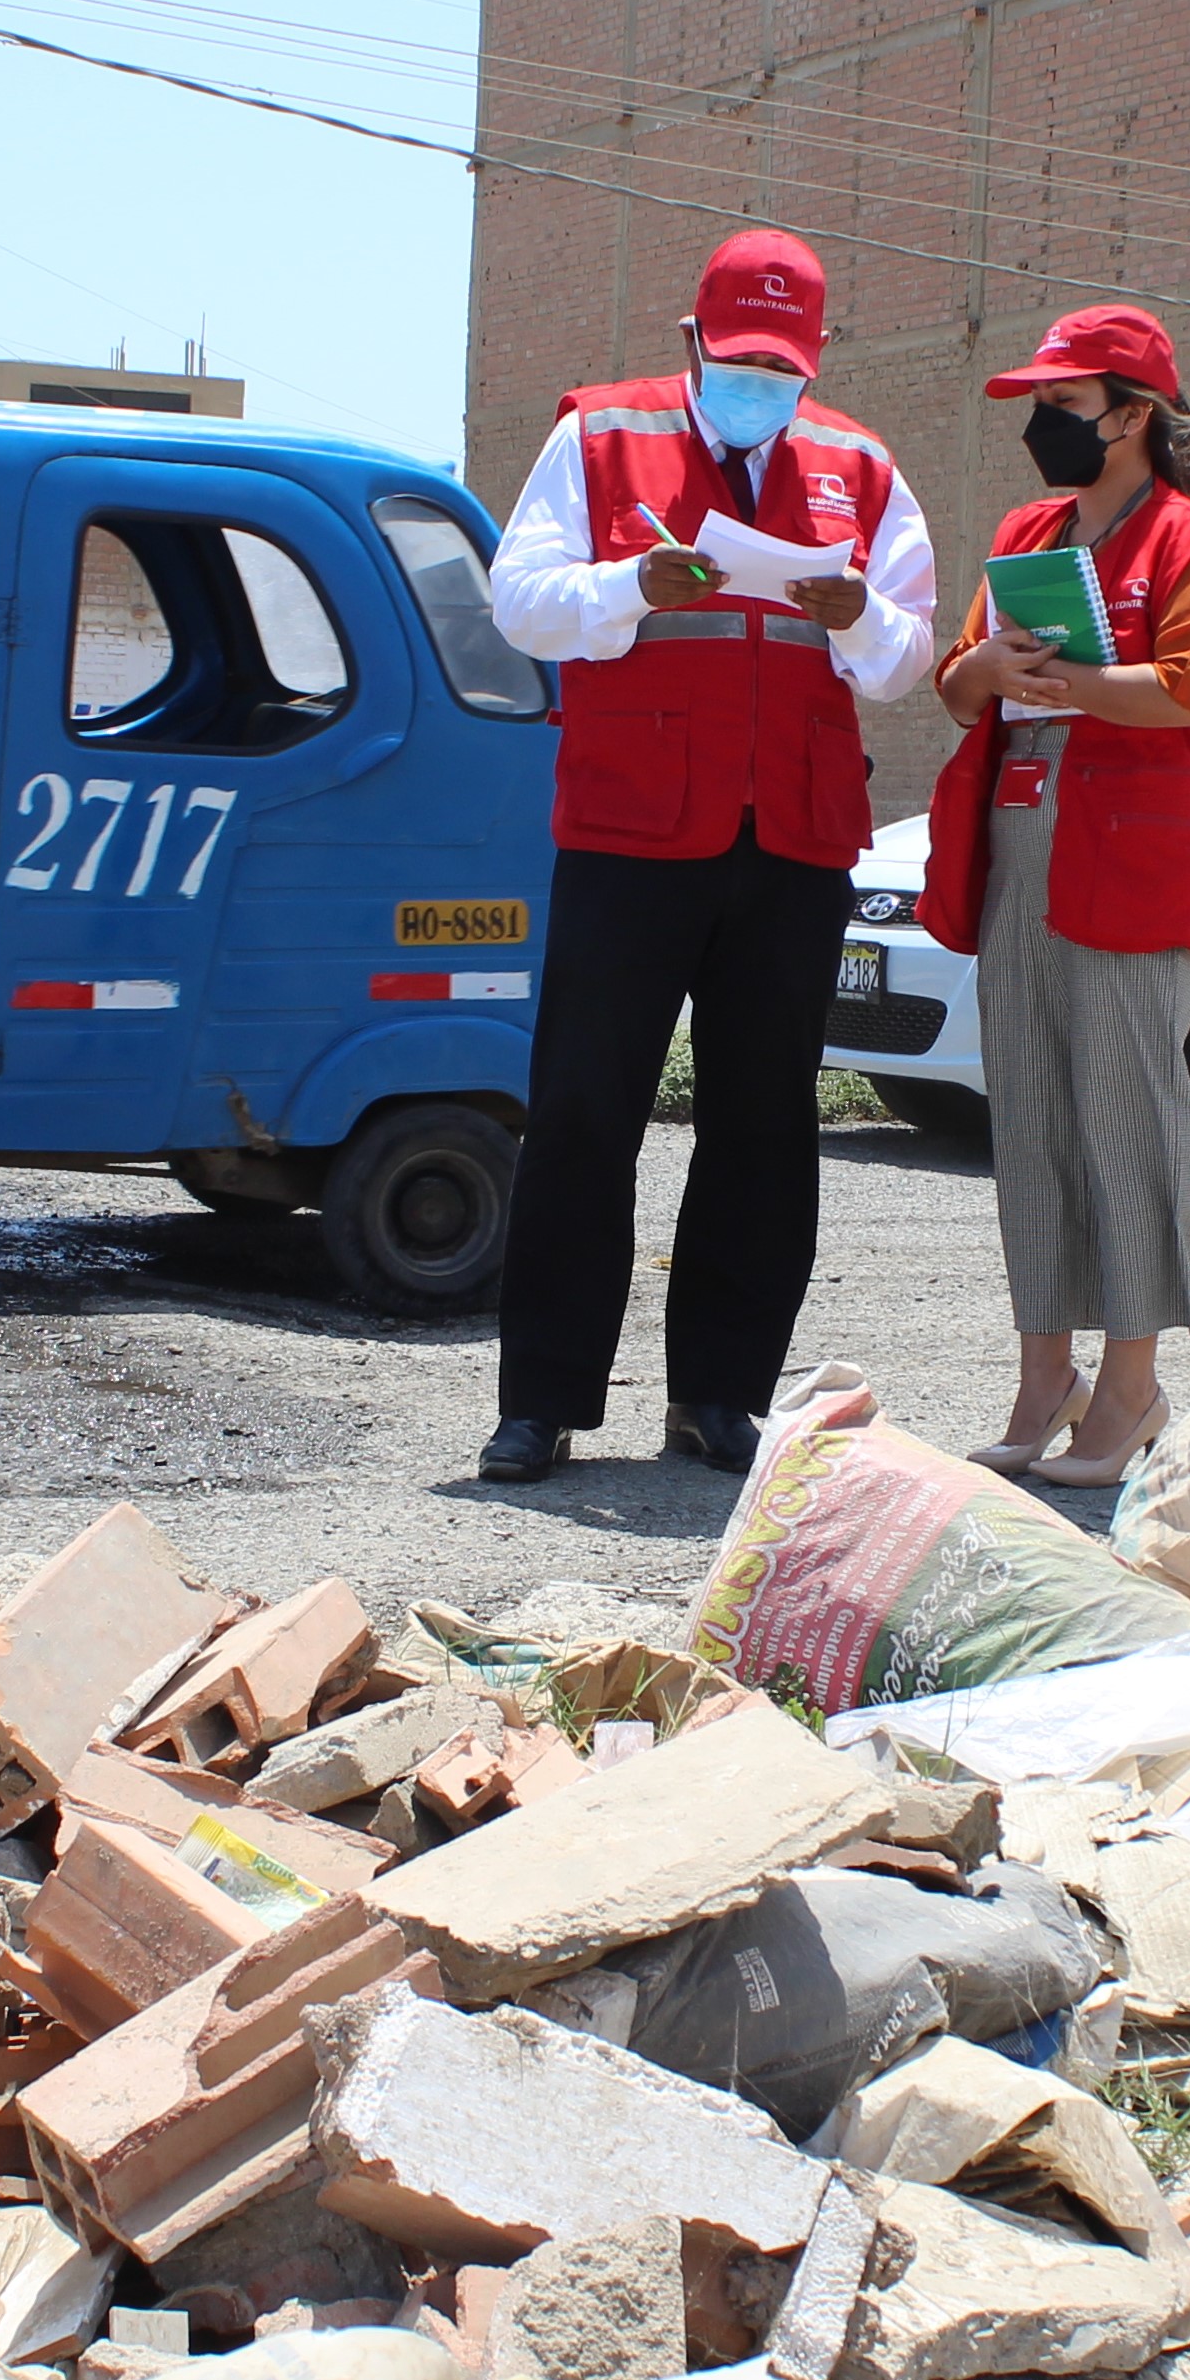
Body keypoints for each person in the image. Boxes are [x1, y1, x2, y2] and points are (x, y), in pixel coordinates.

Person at [476, 229, 939, 1484]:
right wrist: (633, 585)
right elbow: (518, 600)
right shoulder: (598, 437)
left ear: (815, 360)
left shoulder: (861, 465)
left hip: (790, 837)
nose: (760, 385)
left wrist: (858, 620)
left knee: (765, 1123)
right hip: (632, 831)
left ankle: (722, 1398)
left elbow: (908, 658)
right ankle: (544, 1403)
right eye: (738, 362)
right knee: (584, 1111)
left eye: (780, 368)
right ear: (695, 342)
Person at [920, 305, 1190, 1488]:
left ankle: (1131, 1389)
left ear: (1133, 415)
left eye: (1061, 405)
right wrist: (984, 671)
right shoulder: (1030, 530)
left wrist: (1057, 673)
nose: (1039, 424)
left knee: (1128, 1120)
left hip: (1128, 857)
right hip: (1019, 847)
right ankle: (1041, 1377)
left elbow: (1186, 694)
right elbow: (958, 687)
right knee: (1032, 1121)